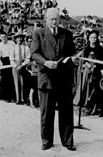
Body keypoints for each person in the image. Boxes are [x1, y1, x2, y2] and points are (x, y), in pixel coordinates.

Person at [30, 8, 77, 151]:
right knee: (46, 113)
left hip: (64, 80)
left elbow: (72, 53)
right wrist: (45, 63)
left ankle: (68, 141)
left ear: (60, 20)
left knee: (66, 112)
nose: (54, 21)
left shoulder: (67, 34)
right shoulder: (38, 34)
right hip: (47, 79)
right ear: (46, 19)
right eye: (51, 19)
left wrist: (73, 59)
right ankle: (46, 141)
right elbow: (34, 53)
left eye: (56, 19)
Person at [10, 32, 30, 105]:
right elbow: (11, 59)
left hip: (23, 65)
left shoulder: (26, 47)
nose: (20, 39)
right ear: (15, 39)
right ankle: (17, 99)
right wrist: (16, 66)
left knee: (23, 82)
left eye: (21, 37)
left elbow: (28, 58)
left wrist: (22, 65)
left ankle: (23, 98)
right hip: (15, 65)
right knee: (16, 82)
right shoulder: (13, 47)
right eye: (18, 38)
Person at [0, 32, 16, 102]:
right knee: (5, 80)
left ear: (7, 37)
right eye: (2, 37)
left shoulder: (12, 43)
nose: (3, 38)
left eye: (4, 37)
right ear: (0, 38)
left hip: (12, 61)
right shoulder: (0, 46)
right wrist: (1, 64)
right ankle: (7, 97)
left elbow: (15, 52)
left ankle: (13, 96)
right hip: (4, 62)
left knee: (12, 79)